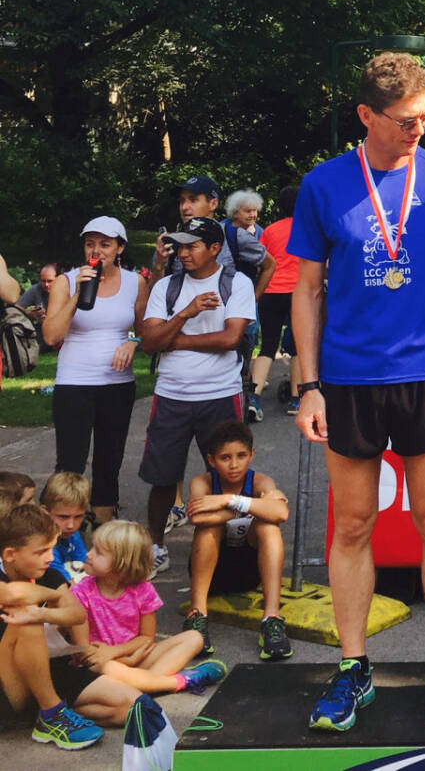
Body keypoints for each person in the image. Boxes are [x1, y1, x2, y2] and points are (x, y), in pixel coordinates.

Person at [290, 52, 425, 733]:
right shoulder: (322, 185)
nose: (419, 130)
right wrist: (309, 384)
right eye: (406, 120)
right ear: (366, 115)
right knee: (351, 526)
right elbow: (307, 290)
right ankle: (353, 668)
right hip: (348, 379)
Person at [139, 216, 256, 578]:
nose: (183, 252)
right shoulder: (167, 287)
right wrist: (187, 313)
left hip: (220, 394)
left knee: (227, 475)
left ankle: (226, 548)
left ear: (215, 249)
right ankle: (156, 547)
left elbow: (230, 339)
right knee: (162, 476)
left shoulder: (236, 283)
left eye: (192, 246)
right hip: (172, 394)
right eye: (180, 245)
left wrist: (177, 340)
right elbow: (149, 343)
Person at [0, 503, 139, 749]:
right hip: (8, 684)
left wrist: (47, 606)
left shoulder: (49, 575)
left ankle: (51, 712)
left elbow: (77, 614)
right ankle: (52, 714)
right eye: (41, 551)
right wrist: (50, 602)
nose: (50, 558)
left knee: (132, 707)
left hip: (48, 671)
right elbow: (11, 594)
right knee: (28, 620)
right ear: (10, 554)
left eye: (51, 549)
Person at [42, 216, 147, 526]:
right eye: (90, 243)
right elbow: (51, 336)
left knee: (108, 463)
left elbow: (144, 330)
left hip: (117, 384)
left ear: (119, 248)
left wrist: (133, 343)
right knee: (70, 465)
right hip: (75, 383)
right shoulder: (67, 280)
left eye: (105, 244)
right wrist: (78, 293)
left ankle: (103, 535)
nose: (97, 250)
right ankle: (61, 537)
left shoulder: (135, 282)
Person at [150, 174, 275, 426]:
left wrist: (249, 301)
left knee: (226, 429)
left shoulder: (232, 235)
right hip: (181, 348)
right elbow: (157, 295)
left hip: (227, 334)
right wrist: (159, 265)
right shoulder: (174, 241)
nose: (186, 206)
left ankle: (244, 402)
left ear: (213, 204)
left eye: (193, 200)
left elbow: (269, 265)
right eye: (182, 201)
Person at [71, 520, 227, 696]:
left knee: (195, 637)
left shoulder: (142, 590)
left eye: (98, 552)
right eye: (92, 548)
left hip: (135, 657)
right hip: (103, 665)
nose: (89, 554)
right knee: (106, 668)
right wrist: (122, 659)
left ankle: (144, 685)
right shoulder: (80, 593)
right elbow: (84, 654)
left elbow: (146, 638)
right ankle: (169, 683)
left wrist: (122, 655)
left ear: (121, 563)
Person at [183, 420, 292, 660]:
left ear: (251, 455)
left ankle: (272, 619)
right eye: (225, 458)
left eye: (241, 455)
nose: (234, 465)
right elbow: (198, 517)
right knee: (208, 527)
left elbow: (281, 514)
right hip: (213, 574)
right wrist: (251, 507)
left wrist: (228, 501)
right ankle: (197, 616)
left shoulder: (261, 482)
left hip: (250, 570)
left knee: (269, 526)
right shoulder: (203, 482)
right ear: (212, 460)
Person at [253, 185, 300, 414]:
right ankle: (295, 399)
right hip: (297, 293)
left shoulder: (269, 231)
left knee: (267, 346)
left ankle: (254, 396)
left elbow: (261, 261)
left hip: (270, 292)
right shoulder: (307, 229)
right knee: (300, 348)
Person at [40, 472, 89, 581]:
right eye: (63, 517)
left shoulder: (73, 534)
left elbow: (85, 565)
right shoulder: (43, 542)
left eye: (78, 516)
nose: (71, 525)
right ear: (45, 513)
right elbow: (65, 583)